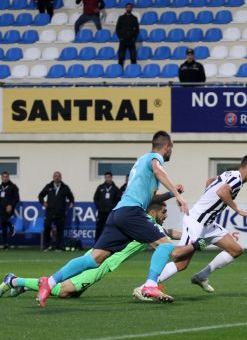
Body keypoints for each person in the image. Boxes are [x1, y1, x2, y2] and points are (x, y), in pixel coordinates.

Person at [36, 131, 202, 307]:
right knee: (166, 245)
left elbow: (151, 199)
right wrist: (178, 196)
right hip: (131, 212)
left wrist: (170, 193)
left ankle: (51, 281)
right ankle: (150, 285)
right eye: (171, 148)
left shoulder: (140, 164)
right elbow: (158, 170)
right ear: (167, 146)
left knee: (94, 259)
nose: (171, 153)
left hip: (118, 214)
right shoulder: (154, 158)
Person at [0, 203, 200, 299]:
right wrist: (196, 245)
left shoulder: (149, 227)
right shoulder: (145, 223)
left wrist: (196, 233)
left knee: (71, 294)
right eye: (164, 211)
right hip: (101, 263)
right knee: (64, 291)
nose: (166, 215)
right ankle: (14, 281)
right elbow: (173, 249)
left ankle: (26, 286)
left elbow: (171, 232)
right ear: (152, 211)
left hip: (100, 260)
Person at [133, 153, 247, 299]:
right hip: (196, 221)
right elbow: (222, 191)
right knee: (180, 261)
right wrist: (238, 210)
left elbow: (211, 182)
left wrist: (209, 196)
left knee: (236, 249)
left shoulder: (230, 174)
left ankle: (202, 276)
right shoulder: (236, 179)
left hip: (208, 224)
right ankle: (145, 287)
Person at [38, 172, 74, 252]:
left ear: (61, 177)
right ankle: (47, 246)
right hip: (50, 211)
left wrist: (71, 203)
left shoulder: (65, 187)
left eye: (58, 176)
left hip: (60, 212)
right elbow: (40, 195)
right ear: (53, 177)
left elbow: (71, 196)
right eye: (55, 176)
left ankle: (58, 246)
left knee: (60, 229)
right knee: (47, 226)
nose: (57, 178)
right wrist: (43, 202)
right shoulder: (49, 186)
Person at [93, 172, 120, 241]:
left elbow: (118, 200)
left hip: (110, 213)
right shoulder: (100, 187)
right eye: (106, 177)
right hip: (101, 212)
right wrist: (99, 207)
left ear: (111, 178)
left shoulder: (115, 189)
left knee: (111, 228)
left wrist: (113, 208)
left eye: (108, 177)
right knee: (99, 228)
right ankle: (96, 244)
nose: (107, 178)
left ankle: (111, 243)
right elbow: (95, 198)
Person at [0, 172, 20, 249]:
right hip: (1, 208)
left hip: (9, 208)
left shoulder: (13, 187)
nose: (5, 178)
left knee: (3, 221)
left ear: (9, 178)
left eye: (6, 177)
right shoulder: (0, 187)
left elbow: (17, 198)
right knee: (3, 226)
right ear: (1, 178)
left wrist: (11, 205)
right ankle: (5, 244)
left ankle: (11, 226)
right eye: (3, 177)